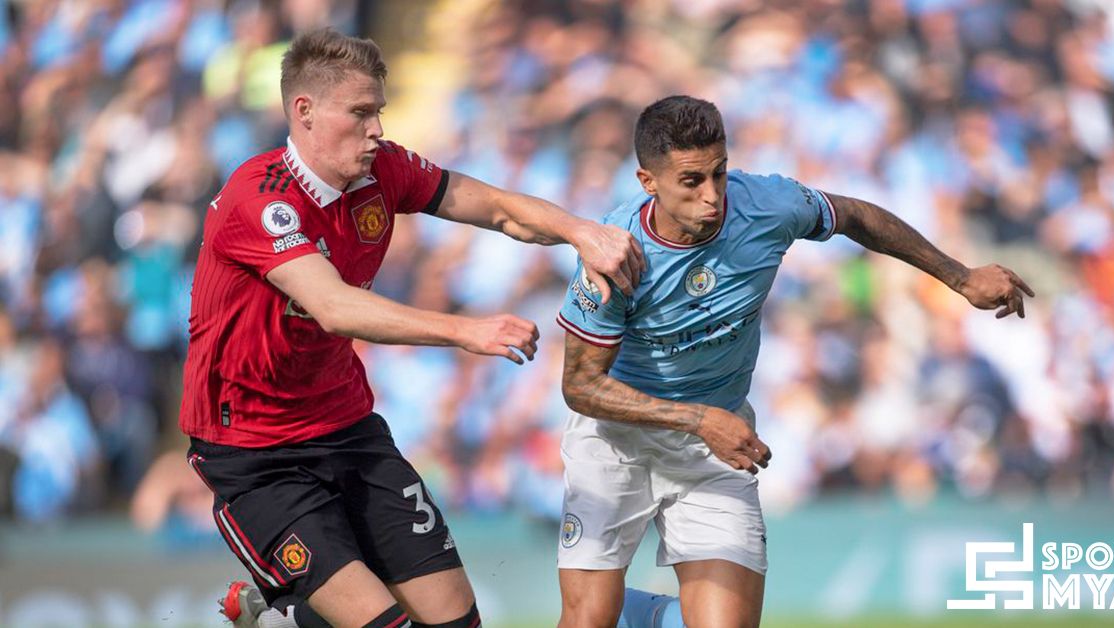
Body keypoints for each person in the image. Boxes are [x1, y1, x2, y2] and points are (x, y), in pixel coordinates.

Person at [180, 29, 645, 628]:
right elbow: (334, 306)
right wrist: (465, 331)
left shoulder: (384, 170)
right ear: (305, 111)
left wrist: (582, 232)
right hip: (254, 450)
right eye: (360, 113)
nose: (376, 129)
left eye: (379, 111)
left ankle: (287, 617)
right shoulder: (261, 199)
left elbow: (498, 209)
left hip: (346, 427)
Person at [555, 95, 1035, 628]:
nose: (712, 195)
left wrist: (960, 276)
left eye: (719, 172)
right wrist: (698, 419)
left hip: (713, 444)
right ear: (649, 181)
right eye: (691, 181)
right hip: (618, 441)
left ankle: (638, 617)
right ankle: (619, 614)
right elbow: (581, 386)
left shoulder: (767, 205)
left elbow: (855, 216)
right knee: (588, 621)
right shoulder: (615, 253)